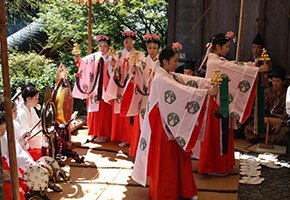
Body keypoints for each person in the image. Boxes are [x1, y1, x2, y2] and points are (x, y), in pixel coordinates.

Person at [132, 45, 218, 200]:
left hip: (171, 121)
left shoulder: (169, 75)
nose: (177, 64)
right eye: (175, 61)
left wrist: (208, 82)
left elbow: (188, 80)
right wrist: (206, 92)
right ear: (165, 61)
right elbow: (181, 90)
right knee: (166, 158)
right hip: (162, 124)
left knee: (179, 155)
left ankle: (183, 190)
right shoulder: (161, 78)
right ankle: (164, 193)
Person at [198, 32, 268, 176]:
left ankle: (221, 164)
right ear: (218, 47)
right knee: (217, 135)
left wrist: (252, 65)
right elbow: (234, 68)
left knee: (221, 134)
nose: (229, 49)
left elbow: (233, 65)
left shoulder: (216, 59)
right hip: (217, 103)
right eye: (227, 46)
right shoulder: (215, 61)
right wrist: (256, 70)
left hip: (219, 102)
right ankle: (215, 166)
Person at [120, 33, 160, 155]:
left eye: (154, 48)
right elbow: (136, 77)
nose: (152, 51)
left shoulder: (162, 62)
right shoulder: (142, 62)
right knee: (144, 122)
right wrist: (133, 71)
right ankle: (144, 148)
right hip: (145, 96)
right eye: (149, 48)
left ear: (158, 48)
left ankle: (156, 147)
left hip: (158, 97)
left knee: (157, 122)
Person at [104, 30, 145, 147]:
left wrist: (136, 69)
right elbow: (111, 69)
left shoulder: (139, 54)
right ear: (123, 42)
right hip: (120, 86)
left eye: (131, 41)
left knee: (131, 110)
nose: (128, 44)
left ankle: (132, 138)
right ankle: (123, 137)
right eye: (126, 41)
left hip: (132, 85)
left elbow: (142, 66)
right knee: (121, 111)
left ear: (134, 42)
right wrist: (112, 66)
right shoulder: (118, 54)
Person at [73, 35, 112, 143]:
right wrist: (79, 60)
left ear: (109, 46)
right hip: (94, 88)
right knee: (94, 111)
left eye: (105, 46)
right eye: (100, 46)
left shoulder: (111, 57)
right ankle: (95, 132)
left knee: (104, 112)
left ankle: (104, 133)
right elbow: (84, 63)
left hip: (105, 88)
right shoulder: (94, 56)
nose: (102, 48)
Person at [244, 65, 288, 145]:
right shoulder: (268, 92)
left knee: (285, 133)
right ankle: (271, 139)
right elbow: (262, 109)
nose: (275, 84)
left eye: (278, 81)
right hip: (267, 120)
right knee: (248, 129)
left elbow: (287, 111)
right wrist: (262, 122)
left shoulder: (287, 94)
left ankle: (266, 139)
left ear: (284, 82)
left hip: (280, 122)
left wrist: (280, 123)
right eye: (273, 81)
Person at [0, 111, 30, 200]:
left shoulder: (3, 137)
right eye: (0, 129)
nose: (3, 132)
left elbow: (15, 150)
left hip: (4, 166)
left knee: (23, 184)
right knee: (15, 192)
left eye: (4, 129)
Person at [16, 83, 45, 161]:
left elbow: (37, 125)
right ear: (28, 99)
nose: (37, 101)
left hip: (36, 138)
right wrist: (39, 123)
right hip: (30, 143)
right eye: (36, 98)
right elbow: (26, 133)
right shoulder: (21, 112)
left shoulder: (31, 109)